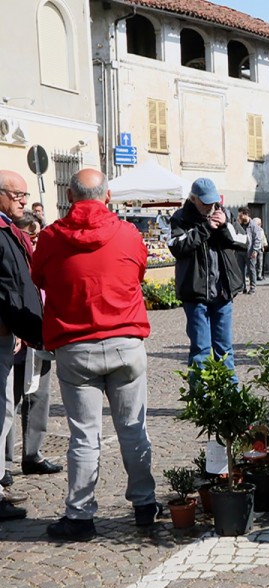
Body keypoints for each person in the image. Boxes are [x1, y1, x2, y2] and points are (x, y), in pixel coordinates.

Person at [31, 168, 159, 541]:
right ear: (107, 197)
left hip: (76, 346)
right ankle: (145, 504)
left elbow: (41, 279)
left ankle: (80, 515)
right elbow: (138, 272)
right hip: (125, 341)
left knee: (85, 436)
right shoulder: (128, 233)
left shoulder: (52, 238)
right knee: (134, 429)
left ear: (69, 197)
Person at [168, 178, 247, 377]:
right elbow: (177, 246)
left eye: (212, 201)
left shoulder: (225, 213)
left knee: (225, 349)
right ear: (193, 199)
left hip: (223, 292)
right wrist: (204, 229)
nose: (210, 206)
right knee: (200, 350)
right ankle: (200, 399)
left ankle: (230, 398)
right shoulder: (180, 218)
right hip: (195, 294)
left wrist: (224, 226)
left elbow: (243, 241)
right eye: (205, 202)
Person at [5, 211, 61, 477]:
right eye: (31, 235)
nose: (35, 241)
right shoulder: (14, 258)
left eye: (38, 236)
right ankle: (4, 462)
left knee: (39, 397)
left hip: (40, 337)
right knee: (10, 401)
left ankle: (33, 455)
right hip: (16, 338)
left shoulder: (43, 259)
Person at [0, 170, 42, 520]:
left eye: (26, 196)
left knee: (5, 406)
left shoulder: (9, 229)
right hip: (3, 329)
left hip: (9, 330)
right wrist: (15, 325)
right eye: (18, 195)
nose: (24, 202)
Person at [237, 207, 261, 294]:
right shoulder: (239, 224)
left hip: (250, 251)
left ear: (246, 214)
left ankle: (252, 287)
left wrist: (255, 250)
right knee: (240, 270)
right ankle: (242, 287)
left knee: (251, 270)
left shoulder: (253, 225)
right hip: (240, 251)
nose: (239, 216)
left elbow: (257, 238)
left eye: (241, 215)